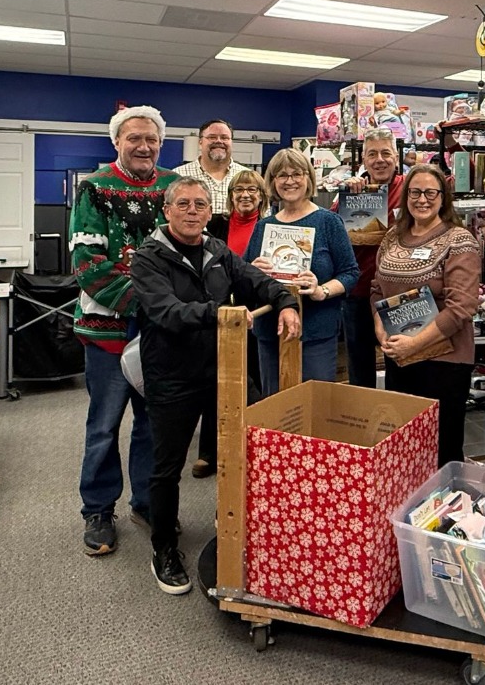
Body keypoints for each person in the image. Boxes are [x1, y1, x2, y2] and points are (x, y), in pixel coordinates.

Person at [131, 177, 300, 594]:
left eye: (200, 205)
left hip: (224, 371)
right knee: (167, 466)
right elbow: (166, 312)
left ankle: (252, 528)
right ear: (167, 210)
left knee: (255, 444)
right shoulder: (148, 258)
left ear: (210, 213)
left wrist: (286, 302)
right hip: (171, 376)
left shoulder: (217, 250)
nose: (192, 211)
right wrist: (221, 313)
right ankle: (164, 546)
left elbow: (255, 281)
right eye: (184, 204)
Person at [69, 105, 178, 557]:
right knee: (105, 424)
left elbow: (184, 253)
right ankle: (98, 508)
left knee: (153, 424)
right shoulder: (94, 188)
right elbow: (87, 264)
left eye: (151, 139)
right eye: (134, 138)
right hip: (107, 330)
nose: (144, 146)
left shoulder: (174, 188)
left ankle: (146, 501)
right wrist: (148, 304)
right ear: (117, 142)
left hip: (160, 335)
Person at [371, 164, 480, 467]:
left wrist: (415, 343)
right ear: (405, 197)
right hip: (401, 359)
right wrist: (381, 330)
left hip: (443, 363)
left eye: (430, 192)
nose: (422, 199)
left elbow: (462, 307)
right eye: (415, 192)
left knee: (441, 449)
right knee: (405, 446)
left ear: (443, 197)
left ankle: (446, 511)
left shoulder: (459, 240)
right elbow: (376, 288)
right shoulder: (393, 236)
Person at [245, 148, 358, 394]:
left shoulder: (329, 222)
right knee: (273, 408)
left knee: (314, 406)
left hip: (316, 331)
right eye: (282, 175)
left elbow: (350, 273)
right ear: (272, 181)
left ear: (308, 178)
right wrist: (253, 271)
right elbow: (244, 277)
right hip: (270, 332)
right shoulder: (264, 226)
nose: (290, 181)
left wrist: (322, 290)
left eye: (297, 173)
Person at [190, 168, 270, 478]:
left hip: (256, 312)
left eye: (252, 190)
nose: (245, 195)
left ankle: (251, 448)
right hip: (219, 311)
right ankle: (210, 452)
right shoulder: (217, 225)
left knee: (254, 381)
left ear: (262, 196)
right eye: (239, 190)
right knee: (218, 380)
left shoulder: (270, 226)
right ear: (230, 195)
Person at [340, 128, 405, 388]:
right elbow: (336, 229)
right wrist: (348, 197)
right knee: (359, 367)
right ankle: (361, 422)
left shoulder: (411, 190)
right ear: (363, 161)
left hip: (397, 293)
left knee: (400, 362)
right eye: (372, 154)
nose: (380, 159)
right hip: (358, 293)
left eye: (386, 153)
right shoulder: (354, 191)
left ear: (397, 158)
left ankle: (396, 423)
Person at [174, 118, 250, 236]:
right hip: (190, 246)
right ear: (200, 142)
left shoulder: (247, 176)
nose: (219, 141)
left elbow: (263, 214)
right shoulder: (179, 176)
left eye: (225, 138)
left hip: (238, 248)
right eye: (212, 137)